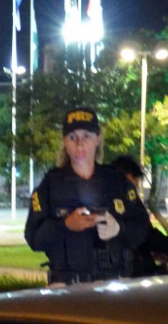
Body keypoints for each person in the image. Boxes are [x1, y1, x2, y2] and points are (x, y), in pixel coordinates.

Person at [24, 107, 150, 285]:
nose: (80, 144)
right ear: (64, 141)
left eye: (86, 136)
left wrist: (118, 229)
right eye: (72, 137)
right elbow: (33, 238)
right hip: (66, 287)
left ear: (98, 139)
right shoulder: (50, 185)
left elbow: (143, 228)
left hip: (112, 286)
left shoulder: (117, 182)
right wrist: (65, 225)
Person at [108, 154, 168, 277]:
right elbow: (145, 234)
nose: (137, 186)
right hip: (134, 273)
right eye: (136, 180)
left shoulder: (107, 199)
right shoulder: (126, 202)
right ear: (127, 176)